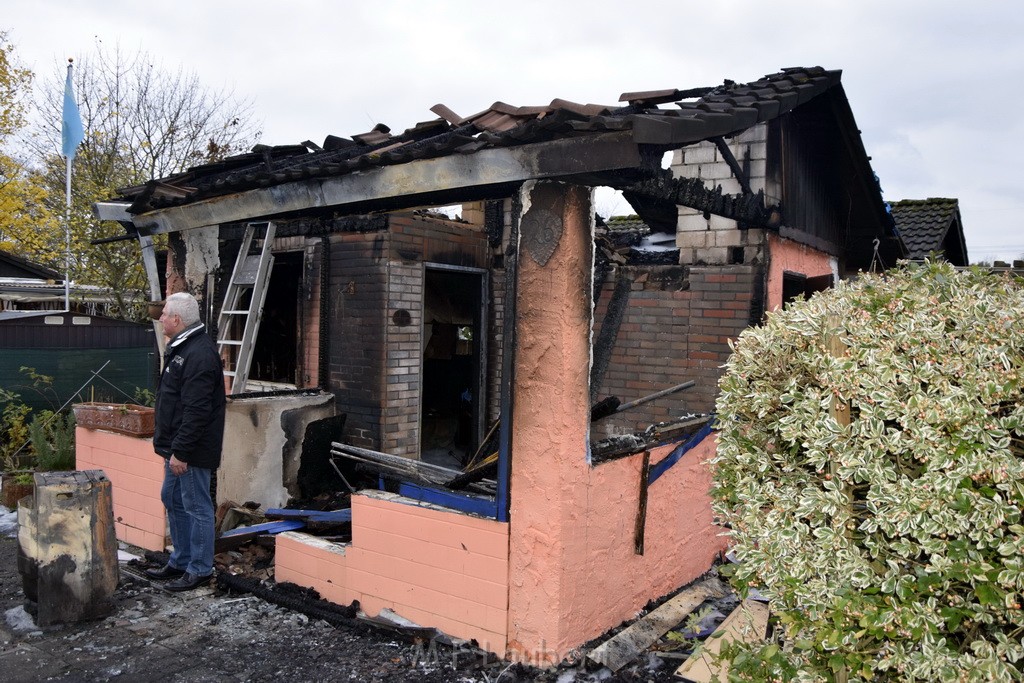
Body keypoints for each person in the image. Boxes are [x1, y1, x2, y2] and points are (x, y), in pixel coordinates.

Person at [146, 292, 226, 591]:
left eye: (164, 313)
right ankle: (180, 561)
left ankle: (200, 568)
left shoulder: (199, 354)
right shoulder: (181, 347)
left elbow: (197, 410)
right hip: (175, 447)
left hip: (189, 451)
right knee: (173, 499)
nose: (161, 317)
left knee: (196, 507)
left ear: (177, 320)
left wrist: (181, 451)